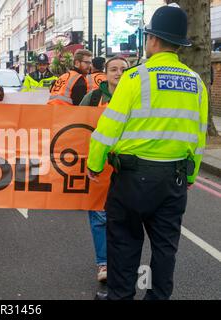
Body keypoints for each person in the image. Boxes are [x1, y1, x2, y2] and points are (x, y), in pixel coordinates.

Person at [87, 3, 208, 300]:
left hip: (131, 180)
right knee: (166, 248)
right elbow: (198, 137)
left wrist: (94, 164)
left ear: (152, 40)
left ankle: (120, 297)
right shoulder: (196, 84)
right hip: (174, 179)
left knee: (125, 245)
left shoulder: (134, 78)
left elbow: (108, 129)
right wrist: (191, 173)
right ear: (179, 44)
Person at [79, 56, 129, 283]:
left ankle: (121, 260)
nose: (118, 73)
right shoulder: (93, 97)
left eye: (123, 69)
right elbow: (75, 125)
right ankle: (104, 264)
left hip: (127, 168)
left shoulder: (134, 95)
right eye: (113, 69)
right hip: (98, 166)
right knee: (99, 216)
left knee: (124, 218)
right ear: (105, 73)